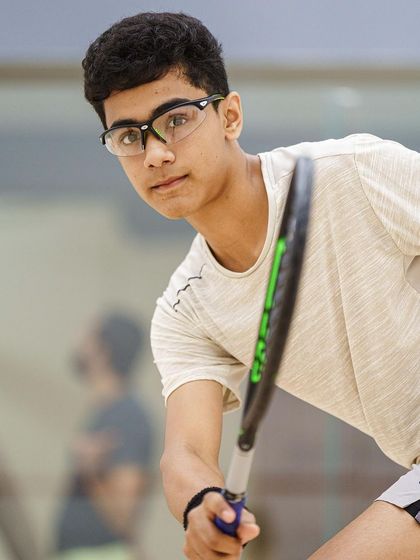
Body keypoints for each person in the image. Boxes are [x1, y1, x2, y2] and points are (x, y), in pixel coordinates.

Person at [81, 12, 420, 559]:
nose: (155, 154)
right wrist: (200, 505)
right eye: (128, 136)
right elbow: (186, 452)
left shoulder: (355, 173)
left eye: (175, 120)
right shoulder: (187, 312)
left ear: (230, 115)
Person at [54, 312, 153, 560]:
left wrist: (91, 472)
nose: (78, 339)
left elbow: (123, 516)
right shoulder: (107, 411)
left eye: (88, 335)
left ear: (103, 351)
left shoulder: (127, 417)